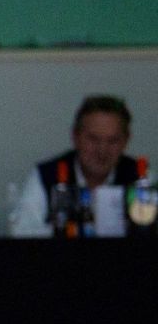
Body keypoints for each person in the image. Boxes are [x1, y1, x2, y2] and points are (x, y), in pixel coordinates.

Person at [9, 95, 138, 238]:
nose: (102, 151)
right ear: (75, 137)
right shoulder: (46, 175)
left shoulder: (140, 178)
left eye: (112, 141)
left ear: (126, 141)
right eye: (93, 139)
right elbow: (22, 231)